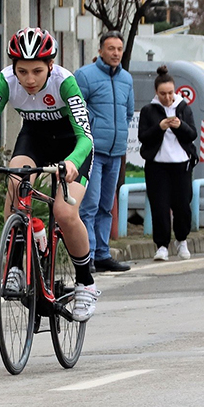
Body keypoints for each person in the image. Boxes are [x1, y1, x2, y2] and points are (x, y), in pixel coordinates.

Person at [0, 27, 100, 322]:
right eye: (22, 71)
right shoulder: (7, 81)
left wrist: (72, 162)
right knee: (15, 184)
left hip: (73, 145)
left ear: (50, 66)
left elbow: (85, 136)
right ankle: (16, 267)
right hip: (34, 138)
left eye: (37, 71)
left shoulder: (65, 82)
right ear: (13, 68)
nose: (29, 80)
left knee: (64, 211)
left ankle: (86, 282)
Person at [75, 31, 134, 273]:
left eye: (119, 49)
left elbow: (128, 113)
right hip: (93, 151)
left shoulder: (126, 79)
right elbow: (76, 109)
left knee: (106, 206)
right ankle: (86, 256)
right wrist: (93, 125)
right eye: (111, 48)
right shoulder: (84, 75)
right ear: (100, 51)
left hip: (116, 152)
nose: (116, 53)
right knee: (89, 205)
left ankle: (102, 254)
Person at [137, 66, 199, 261]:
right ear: (156, 93)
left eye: (170, 93)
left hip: (181, 164)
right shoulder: (149, 110)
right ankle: (162, 245)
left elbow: (192, 134)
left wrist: (180, 126)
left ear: (175, 91)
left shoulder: (183, 107)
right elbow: (144, 137)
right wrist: (160, 127)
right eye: (163, 93)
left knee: (182, 205)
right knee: (160, 206)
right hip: (157, 165)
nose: (167, 97)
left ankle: (182, 240)